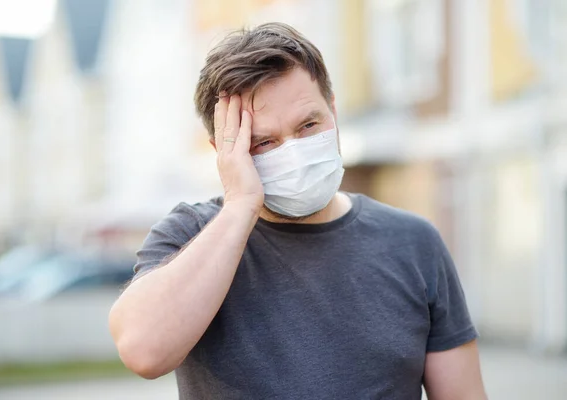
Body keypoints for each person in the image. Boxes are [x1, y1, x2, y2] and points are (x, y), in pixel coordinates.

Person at [109, 22, 487, 399]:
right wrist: (241, 204)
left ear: (333, 110)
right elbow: (144, 351)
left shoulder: (413, 242)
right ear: (224, 148)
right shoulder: (189, 236)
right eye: (264, 142)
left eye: (308, 125)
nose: (294, 152)